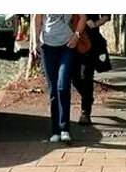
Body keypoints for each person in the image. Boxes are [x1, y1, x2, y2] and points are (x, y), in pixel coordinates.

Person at [31, 14, 87, 143]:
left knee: (63, 86)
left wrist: (76, 36)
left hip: (66, 46)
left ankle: (64, 129)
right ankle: (55, 130)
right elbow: (37, 18)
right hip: (47, 47)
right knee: (53, 90)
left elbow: (83, 17)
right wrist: (35, 42)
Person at [73, 15, 111, 126]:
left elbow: (107, 16)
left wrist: (95, 24)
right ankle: (88, 98)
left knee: (86, 76)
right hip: (71, 40)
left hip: (90, 42)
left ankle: (85, 112)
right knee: (74, 79)